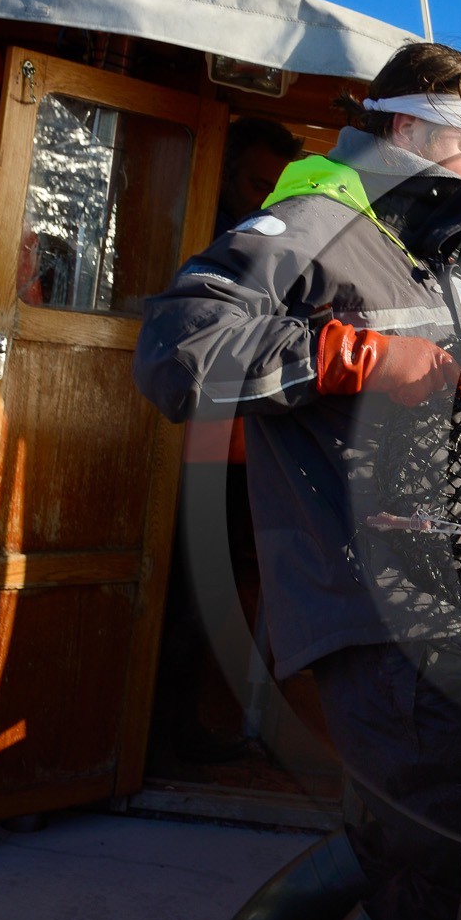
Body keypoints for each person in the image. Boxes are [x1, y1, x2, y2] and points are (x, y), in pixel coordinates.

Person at [133, 43, 461, 920]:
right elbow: (178, 347)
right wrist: (351, 355)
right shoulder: (316, 223)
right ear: (410, 123)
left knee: (387, 832)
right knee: (443, 887)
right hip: (368, 597)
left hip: (440, 590)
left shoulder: (432, 254)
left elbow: (455, 395)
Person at [152, 116, 302, 766]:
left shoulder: (270, 244)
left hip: (243, 457)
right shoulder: (200, 242)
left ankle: (197, 725)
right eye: (253, 182)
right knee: (182, 590)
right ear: (224, 171)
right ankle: (161, 738)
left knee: (224, 586)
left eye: (275, 188)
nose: (263, 200)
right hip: (188, 454)